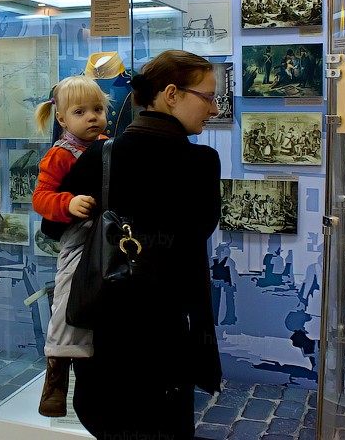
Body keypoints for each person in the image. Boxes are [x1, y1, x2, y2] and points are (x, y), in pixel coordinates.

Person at [44, 50, 222, 440]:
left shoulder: (100, 153)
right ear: (171, 94)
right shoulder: (201, 163)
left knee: (108, 424)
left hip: (104, 329)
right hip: (164, 335)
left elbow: (52, 228)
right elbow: (195, 238)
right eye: (208, 97)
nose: (213, 109)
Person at [31, 76, 110, 417]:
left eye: (98, 110)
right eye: (80, 112)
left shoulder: (109, 146)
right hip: (79, 234)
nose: (92, 117)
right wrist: (68, 202)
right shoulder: (60, 155)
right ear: (62, 119)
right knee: (67, 296)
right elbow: (40, 198)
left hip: (109, 232)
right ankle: (57, 374)